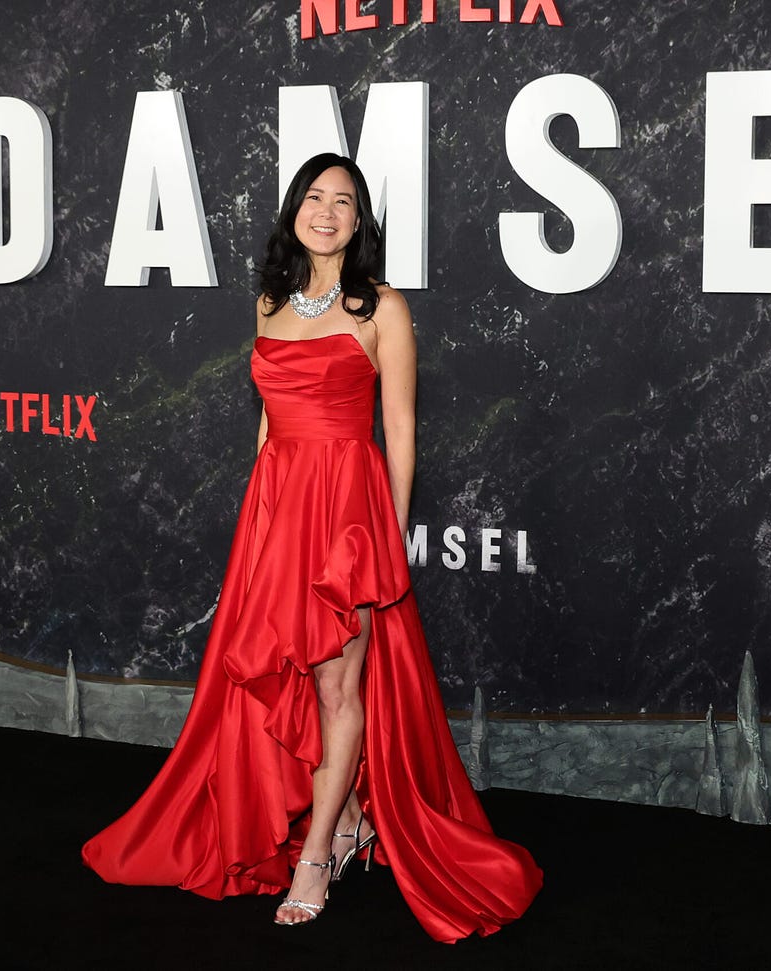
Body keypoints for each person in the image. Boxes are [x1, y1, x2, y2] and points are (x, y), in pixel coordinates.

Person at [81, 153, 542, 942]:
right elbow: (266, 422)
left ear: (360, 222)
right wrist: (258, 520)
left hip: (346, 518)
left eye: (345, 201)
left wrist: (386, 542)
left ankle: (316, 855)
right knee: (283, 678)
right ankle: (354, 817)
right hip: (279, 509)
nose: (326, 211)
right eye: (314, 197)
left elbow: (398, 432)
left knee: (337, 689)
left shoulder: (383, 308)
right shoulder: (268, 303)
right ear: (294, 209)